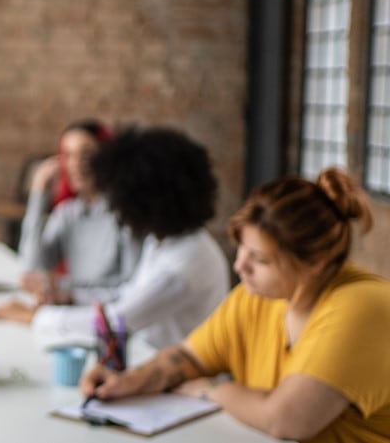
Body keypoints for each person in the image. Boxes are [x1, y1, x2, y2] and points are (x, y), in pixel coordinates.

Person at [81, 168, 390, 442]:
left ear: (315, 263)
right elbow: (192, 356)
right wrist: (126, 382)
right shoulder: (257, 296)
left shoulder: (362, 307)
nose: (240, 266)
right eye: (241, 248)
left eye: (259, 259)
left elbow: (287, 421)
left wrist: (214, 390)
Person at [0, 126, 231, 350]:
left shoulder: (184, 265)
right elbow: (129, 293)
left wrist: (37, 317)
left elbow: (118, 321)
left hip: (173, 379)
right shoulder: (163, 241)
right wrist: (70, 295)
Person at [15, 119, 140, 301]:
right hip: (72, 319)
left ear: (107, 157)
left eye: (86, 154)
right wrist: (38, 194)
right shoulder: (67, 213)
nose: (76, 164)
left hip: (108, 322)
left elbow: (132, 289)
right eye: (68, 155)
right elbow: (31, 269)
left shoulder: (126, 215)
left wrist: (67, 291)